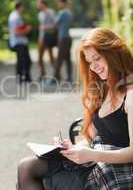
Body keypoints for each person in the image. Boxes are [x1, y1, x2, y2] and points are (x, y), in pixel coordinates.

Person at [17, 28, 133, 190]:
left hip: (116, 171)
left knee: (28, 172)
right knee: (27, 166)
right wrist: (70, 149)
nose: (94, 67)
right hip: (96, 161)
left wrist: (92, 155)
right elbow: (91, 138)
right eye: (89, 62)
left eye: (97, 58)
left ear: (114, 53)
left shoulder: (130, 95)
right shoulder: (104, 87)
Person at [8, 0, 32, 84]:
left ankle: (26, 78)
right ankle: (20, 79)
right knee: (21, 61)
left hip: (22, 42)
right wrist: (27, 30)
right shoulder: (15, 17)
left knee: (27, 61)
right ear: (19, 7)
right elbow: (16, 32)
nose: (23, 8)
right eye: (22, 7)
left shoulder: (18, 16)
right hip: (18, 42)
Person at [53, 0, 73, 83]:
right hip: (68, 37)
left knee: (59, 58)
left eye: (59, 3)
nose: (58, 5)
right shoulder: (69, 12)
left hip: (63, 38)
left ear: (62, 3)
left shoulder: (62, 13)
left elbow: (55, 24)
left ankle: (55, 78)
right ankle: (69, 77)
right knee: (67, 58)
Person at [36, 0, 56, 81]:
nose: (37, 4)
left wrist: (45, 27)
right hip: (41, 37)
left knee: (51, 57)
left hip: (48, 37)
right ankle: (42, 75)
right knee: (39, 58)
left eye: (38, 3)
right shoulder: (39, 14)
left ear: (43, 4)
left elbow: (55, 25)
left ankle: (56, 74)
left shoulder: (51, 12)